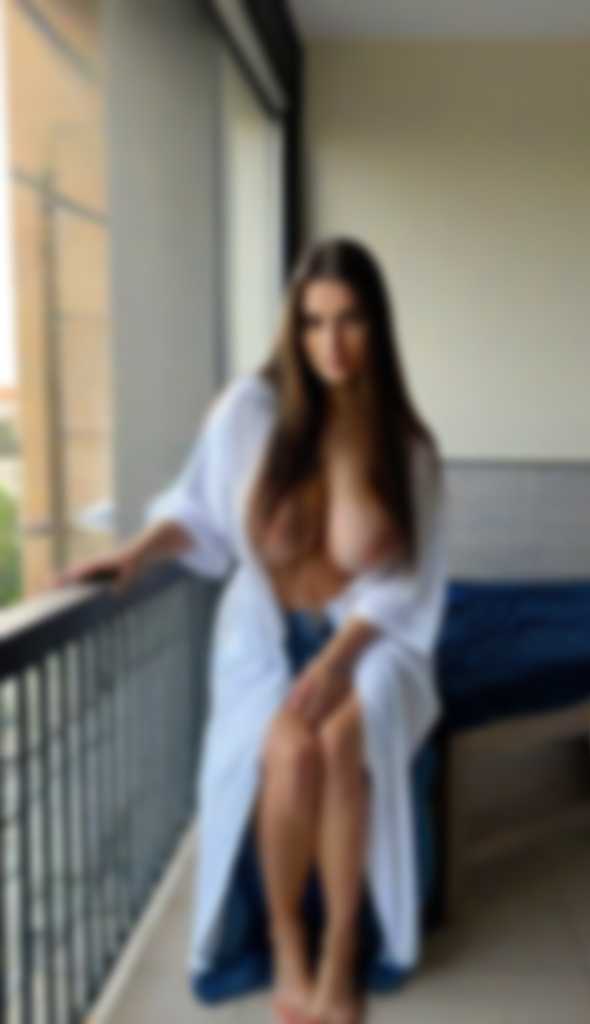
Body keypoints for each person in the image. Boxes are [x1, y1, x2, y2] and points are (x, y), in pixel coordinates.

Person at [52, 236, 449, 1024]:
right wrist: (135, 553)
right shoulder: (250, 414)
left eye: (351, 320)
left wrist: (338, 661)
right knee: (290, 754)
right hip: (266, 634)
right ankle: (287, 941)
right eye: (314, 322)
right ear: (293, 329)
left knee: (342, 739)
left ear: (378, 325)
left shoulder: (407, 449)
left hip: (373, 639)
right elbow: (197, 509)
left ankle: (342, 953)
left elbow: (411, 586)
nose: (332, 344)